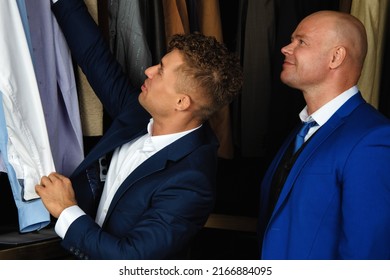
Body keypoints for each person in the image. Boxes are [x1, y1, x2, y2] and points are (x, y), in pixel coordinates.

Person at [35, 0, 242, 260]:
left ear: (182, 102)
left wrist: (66, 209)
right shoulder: (137, 112)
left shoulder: (191, 182)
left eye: (161, 71)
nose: (148, 70)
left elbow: (131, 260)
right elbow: (94, 56)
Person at [258, 10, 390, 259]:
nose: (286, 48)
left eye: (301, 41)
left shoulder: (373, 140)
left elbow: (367, 255)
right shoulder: (303, 129)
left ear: (336, 57)